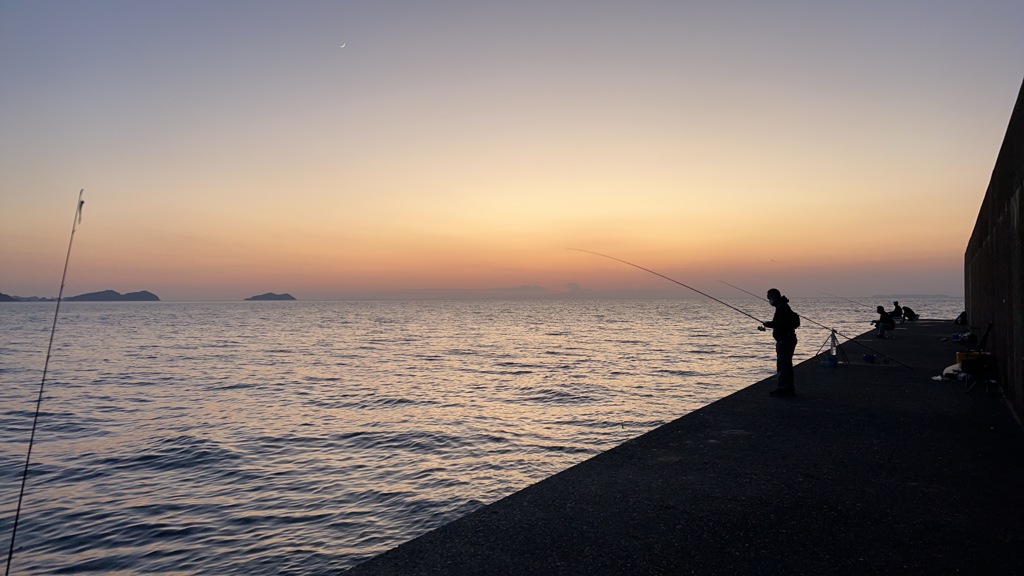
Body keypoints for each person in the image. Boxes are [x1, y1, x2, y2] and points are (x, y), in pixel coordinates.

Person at [760, 288, 799, 397]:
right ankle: (788, 387)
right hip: (787, 339)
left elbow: (781, 323)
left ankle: (783, 388)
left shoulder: (782, 307)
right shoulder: (782, 306)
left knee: (783, 364)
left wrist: (769, 324)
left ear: (774, 297)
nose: (769, 300)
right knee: (786, 364)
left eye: (769, 298)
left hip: (785, 340)